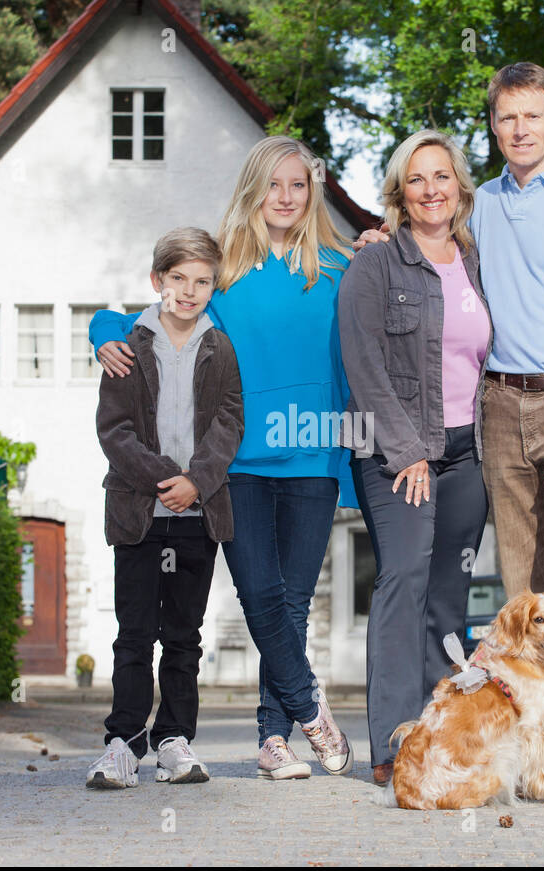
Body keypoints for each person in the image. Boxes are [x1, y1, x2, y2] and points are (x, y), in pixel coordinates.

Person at [354, 62, 544, 785]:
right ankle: (530, 737)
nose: (519, 129)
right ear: (492, 125)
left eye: (531, 115)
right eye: (506, 117)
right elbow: (426, 244)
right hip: (499, 409)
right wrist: (373, 245)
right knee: (522, 591)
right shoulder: (480, 209)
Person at [90, 137, 355, 781]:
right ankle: (310, 708)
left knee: (293, 602)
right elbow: (139, 315)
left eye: (298, 185)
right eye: (273, 185)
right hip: (235, 464)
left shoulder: (341, 269)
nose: (286, 197)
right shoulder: (226, 271)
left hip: (314, 455)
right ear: (253, 192)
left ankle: (273, 738)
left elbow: (364, 351)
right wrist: (102, 332)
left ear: (311, 191)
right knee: (260, 593)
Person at [337, 130, 492, 785]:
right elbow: (362, 362)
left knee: (448, 596)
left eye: (442, 176)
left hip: (469, 453)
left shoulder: (478, 259)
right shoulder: (375, 265)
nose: (431, 189)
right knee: (404, 580)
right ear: (400, 192)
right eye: (417, 179)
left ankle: (443, 736)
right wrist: (408, 452)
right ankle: (394, 745)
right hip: (394, 451)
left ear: (460, 185)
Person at [88, 227, 244, 789]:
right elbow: (115, 431)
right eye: (178, 278)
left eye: (202, 281)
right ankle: (122, 743)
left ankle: (174, 740)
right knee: (134, 634)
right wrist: (166, 480)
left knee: (183, 635)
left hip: (195, 517)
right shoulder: (128, 344)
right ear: (158, 280)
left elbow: (230, 422)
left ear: (213, 287)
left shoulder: (219, 348)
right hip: (139, 515)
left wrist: (197, 484)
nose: (189, 290)